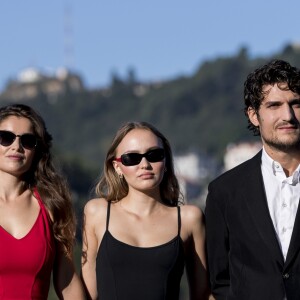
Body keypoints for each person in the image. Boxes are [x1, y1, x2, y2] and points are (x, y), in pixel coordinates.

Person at [81, 121, 210, 300]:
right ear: (117, 166)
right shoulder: (97, 212)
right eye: (131, 158)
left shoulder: (189, 218)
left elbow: (202, 294)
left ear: (165, 162)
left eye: (154, 155)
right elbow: (88, 293)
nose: (144, 164)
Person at [205, 59, 300, 300]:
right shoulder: (224, 192)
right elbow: (220, 280)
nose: (287, 115)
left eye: (296, 104)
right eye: (274, 105)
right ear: (254, 115)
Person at [0, 104, 85, 299]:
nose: (16, 146)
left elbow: (68, 280)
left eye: (28, 141)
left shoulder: (51, 206)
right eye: (6, 138)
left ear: (37, 151)